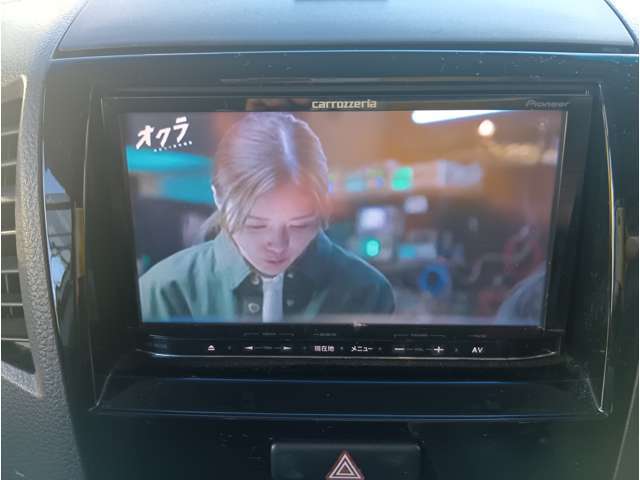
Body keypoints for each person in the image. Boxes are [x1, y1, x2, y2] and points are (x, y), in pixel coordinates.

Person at [139, 113, 395, 323]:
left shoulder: (368, 291)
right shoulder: (164, 291)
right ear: (218, 197)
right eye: (255, 225)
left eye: (300, 225)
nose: (278, 245)